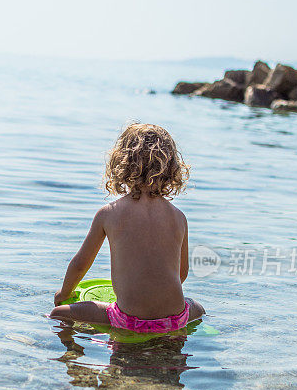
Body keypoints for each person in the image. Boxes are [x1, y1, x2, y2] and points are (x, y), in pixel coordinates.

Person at [50, 123, 205, 333]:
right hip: (174, 319)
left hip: (128, 321)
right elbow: (181, 273)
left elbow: (80, 264)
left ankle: (72, 355)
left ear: (121, 164)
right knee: (198, 307)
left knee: (58, 314)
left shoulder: (109, 213)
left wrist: (63, 294)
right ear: (171, 169)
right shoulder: (179, 217)